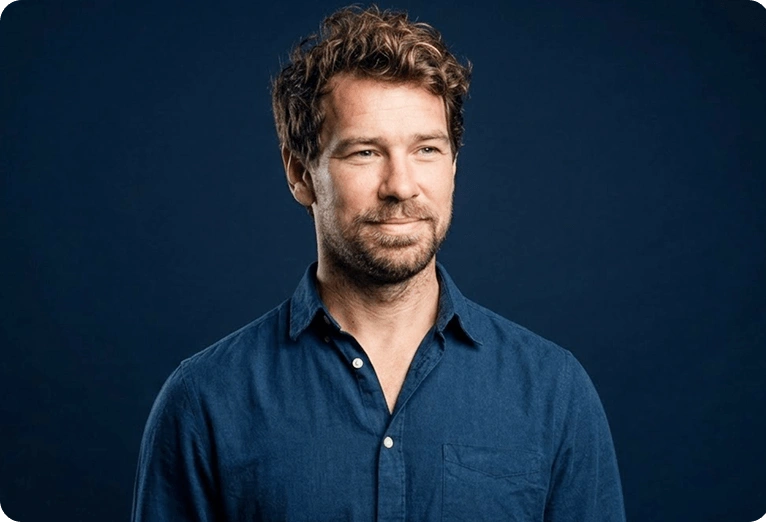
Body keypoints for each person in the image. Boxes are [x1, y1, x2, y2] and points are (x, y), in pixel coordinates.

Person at [131, 5, 626, 521]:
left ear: (453, 167)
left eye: (427, 150)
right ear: (301, 174)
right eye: (365, 152)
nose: (401, 186)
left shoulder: (553, 392)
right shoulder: (205, 401)